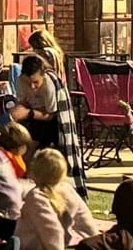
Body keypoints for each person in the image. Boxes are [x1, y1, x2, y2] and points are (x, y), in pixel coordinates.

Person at [15, 147, 97, 250]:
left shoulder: (36, 197)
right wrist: (100, 245)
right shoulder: (67, 190)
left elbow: (52, 233)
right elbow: (85, 221)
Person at [21, 30, 86, 192]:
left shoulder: (44, 56)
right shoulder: (57, 53)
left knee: (31, 146)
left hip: (48, 105)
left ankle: (26, 179)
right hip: (57, 103)